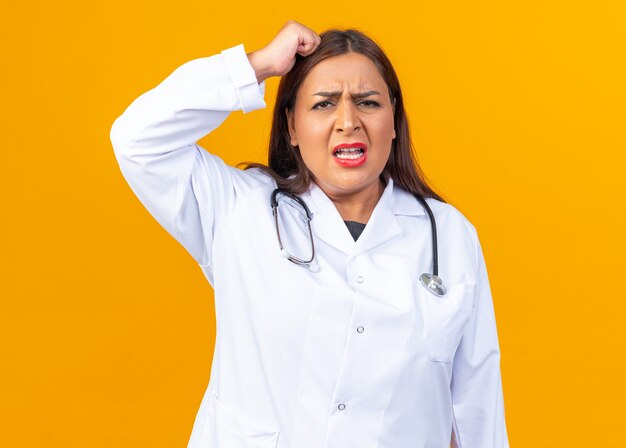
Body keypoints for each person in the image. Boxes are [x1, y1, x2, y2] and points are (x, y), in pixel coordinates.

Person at [110, 20, 509, 448]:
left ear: (393, 121)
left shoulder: (448, 235)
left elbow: (477, 403)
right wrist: (259, 65)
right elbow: (137, 139)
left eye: (368, 102)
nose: (348, 121)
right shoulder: (238, 209)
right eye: (323, 104)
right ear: (292, 127)